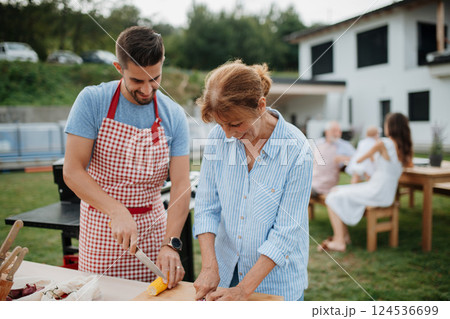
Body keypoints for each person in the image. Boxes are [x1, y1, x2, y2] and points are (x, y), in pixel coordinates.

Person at [63, 26, 191, 287]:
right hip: (103, 227)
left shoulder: (174, 115)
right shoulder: (93, 101)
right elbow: (72, 170)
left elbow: (181, 184)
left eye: (154, 79)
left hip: (153, 230)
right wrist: (115, 209)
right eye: (137, 81)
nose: (147, 90)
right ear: (118, 68)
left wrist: (171, 243)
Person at [193, 60, 313, 301]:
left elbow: (285, 233)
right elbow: (207, 207)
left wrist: (243, 290)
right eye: (221, 124)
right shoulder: (219, 137)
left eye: (236, 124)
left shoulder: (297, 149)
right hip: (227, 273)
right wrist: (209, 266)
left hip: (276, 284)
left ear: (261, 106)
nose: (228, 134)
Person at [319, 113, 413, 252]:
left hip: (376, 190)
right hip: (386, 193)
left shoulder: (383, 143)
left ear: (390, 127)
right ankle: (343, 237)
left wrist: (372, 149)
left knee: (333, 195)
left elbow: (359, 160)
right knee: (336, 191)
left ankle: (339, 241)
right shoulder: (405, 148)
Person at [310, 121, 355, 197]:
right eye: (334, 131)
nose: (337, 134)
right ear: (326, 132)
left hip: (328, 185)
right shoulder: (318, 143)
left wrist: (344, 158)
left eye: (339, 131)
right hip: (313, 182)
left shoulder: (344, 146)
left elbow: (357, 158)